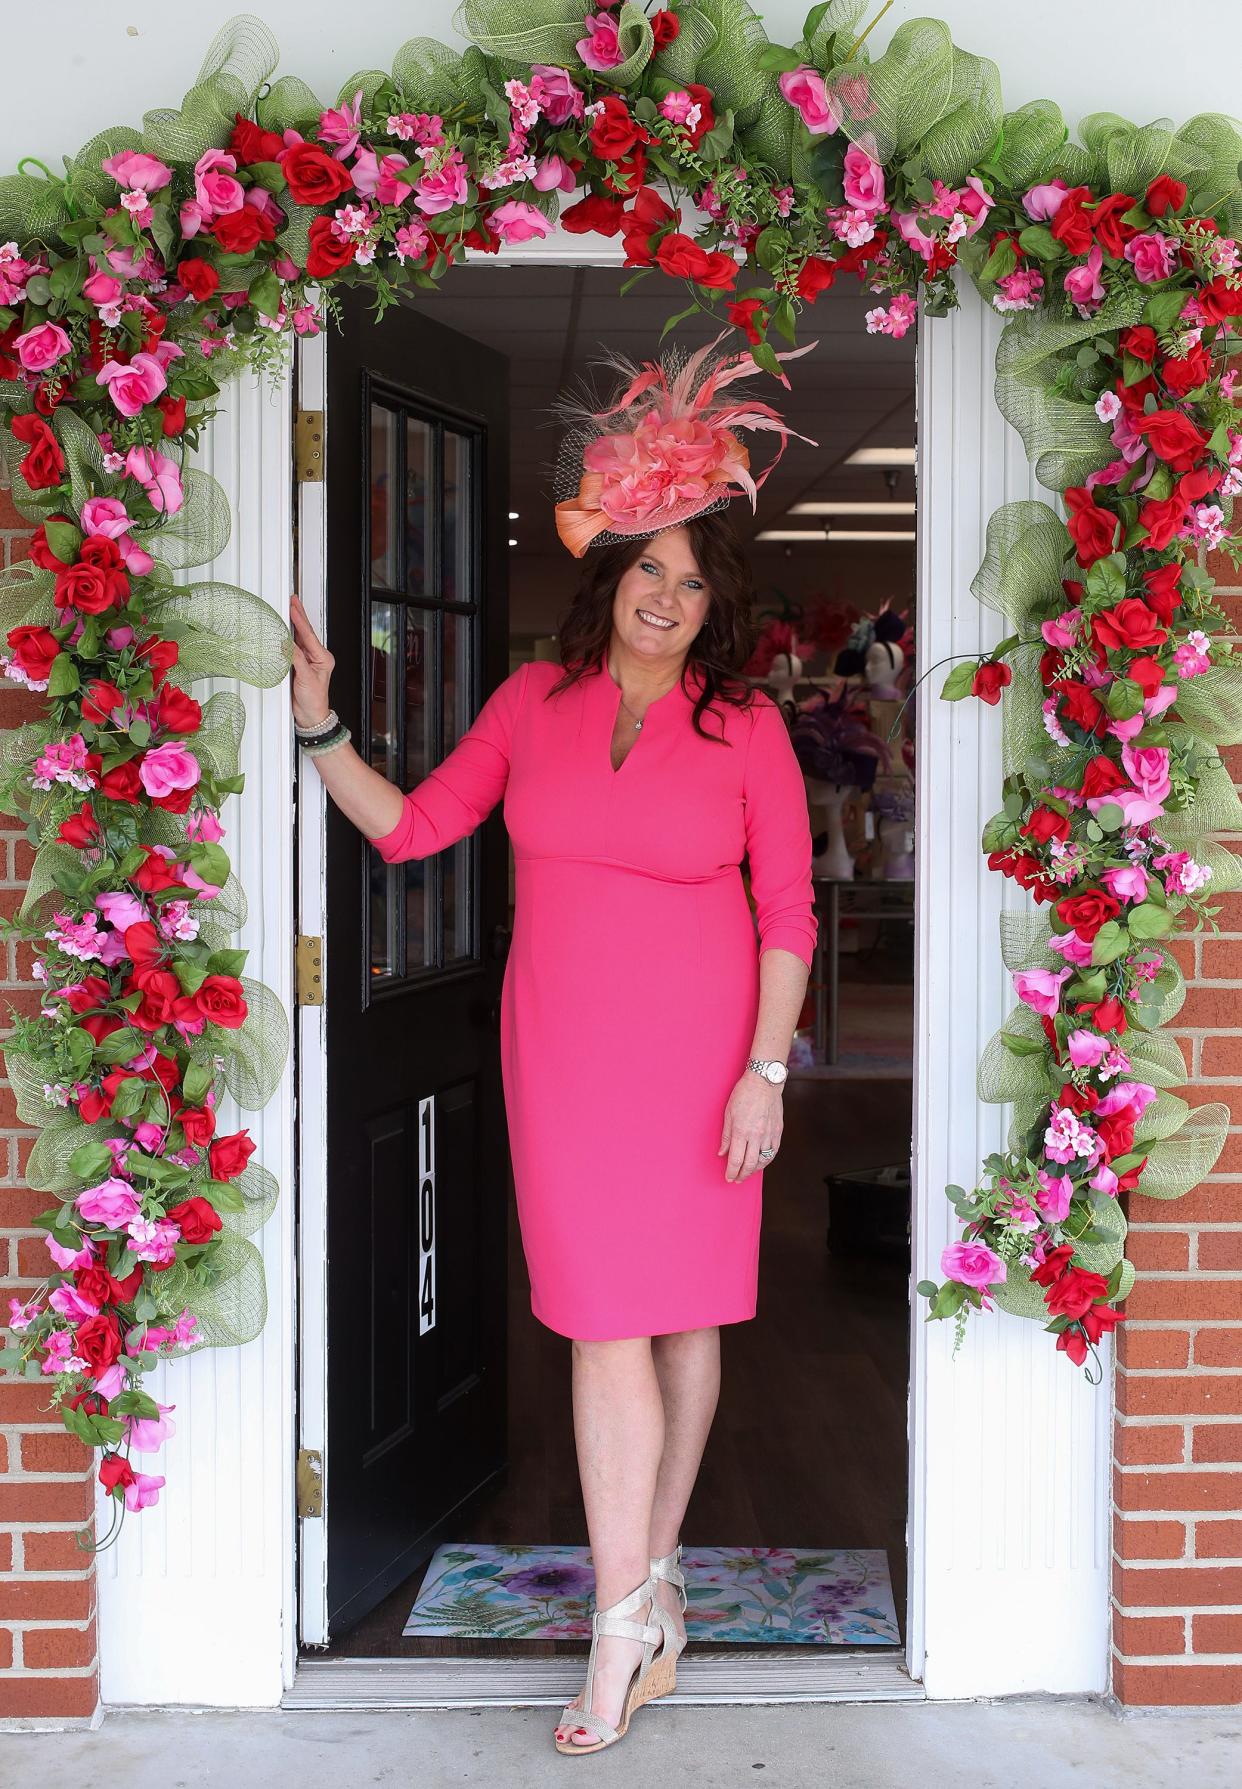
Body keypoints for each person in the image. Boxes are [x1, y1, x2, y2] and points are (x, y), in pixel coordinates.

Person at [288, 333, 818, 1756]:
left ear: (718, 602)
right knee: (601, 1316)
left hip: (709, 1056)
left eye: (693, 579)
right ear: (611, 575)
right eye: (649, 567)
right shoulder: (531, 706)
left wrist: (764, 1073)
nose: (666, 595)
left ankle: (634, 1607)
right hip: (566, 1054)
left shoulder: (750, 724)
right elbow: (411, 827)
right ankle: (634, 1605)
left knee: (683, 1310)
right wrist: (322, 724)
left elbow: (791, 914)